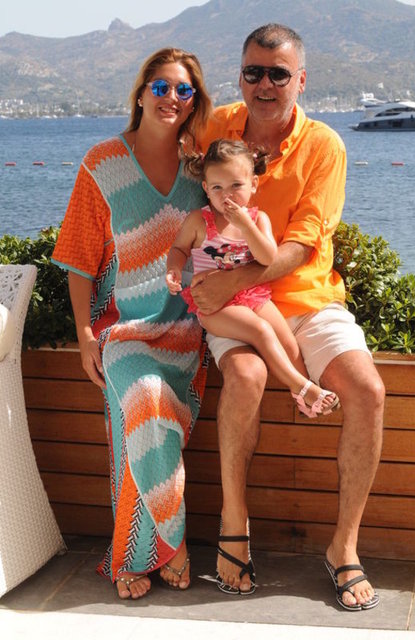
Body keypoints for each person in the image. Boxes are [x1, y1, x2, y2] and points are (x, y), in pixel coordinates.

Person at [191, 24, 385, 609]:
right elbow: (156, 140)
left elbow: (301, 246)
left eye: (279, 73)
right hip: (236, 308)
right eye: (254, 72)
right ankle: (234, 522)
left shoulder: (324, 145)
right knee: (245, 376)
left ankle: (343, 547)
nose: (265, 84)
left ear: (301, 80)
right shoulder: (215, 127)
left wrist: (232, 279)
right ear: (240, 77)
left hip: (306, 299)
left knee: (368, 390)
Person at [52, 47, 213, 600]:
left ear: (194, 102)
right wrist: (84, 335)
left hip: (185, 333)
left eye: (184, 90)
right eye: (161, 86)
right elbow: (78, 259)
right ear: (142, 92)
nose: (172, 98)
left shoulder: (199, 172)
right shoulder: (102, 163)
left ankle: (133, 553)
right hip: (122, 331)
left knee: (145, 424)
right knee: (142, 400)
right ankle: (172, 542)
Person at [166, 138, 340, 422]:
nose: (227, 195)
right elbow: (179, 249)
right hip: (214, 306)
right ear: (206, 188)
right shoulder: (199, 220)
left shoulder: (258, 220)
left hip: (252, 295)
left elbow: (268, 257)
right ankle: (304, 387)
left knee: (288, 342)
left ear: (253, 185)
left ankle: (305, 400)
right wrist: (173, 270)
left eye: (236, 185)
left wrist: (245, 225)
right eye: (217, 188)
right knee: (261, 331)